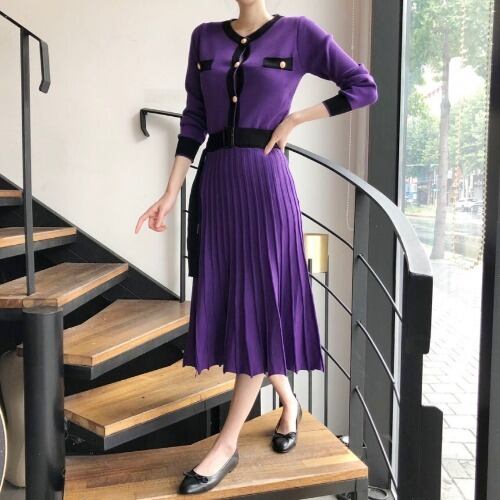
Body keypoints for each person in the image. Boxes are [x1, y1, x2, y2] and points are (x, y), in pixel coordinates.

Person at [135, 0, 378, 494]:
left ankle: (226, 444)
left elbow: (363, 87)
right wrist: (169, 193)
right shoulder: (204, 36)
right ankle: (289, 402)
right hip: (218, 186)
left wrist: (295, 120)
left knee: (258, 304)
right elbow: (194, 120)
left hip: (266, 188)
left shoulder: (298, 32)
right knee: (239, 305)